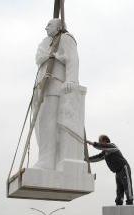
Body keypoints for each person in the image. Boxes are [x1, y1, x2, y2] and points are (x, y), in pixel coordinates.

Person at [33, 18, 86, 171]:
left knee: (47, 122)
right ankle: (46, 158)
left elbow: (72, 60)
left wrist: (71, 81)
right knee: (41, 123)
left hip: (55, 84)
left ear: (59, 26)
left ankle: (47, 161)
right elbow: (39, 57)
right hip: (43, 85)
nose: (45, 27)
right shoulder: (47, 42)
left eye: (49, 25)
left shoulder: (66, 38)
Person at [87, 135, 134, 205]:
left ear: (105, 141)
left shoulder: (112, 146)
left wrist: (92, 143)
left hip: (123, 168)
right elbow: (97, 157)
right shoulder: (105, 153)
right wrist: (87, 159)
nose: (100, 143)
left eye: (100, 141)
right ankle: (119, 202)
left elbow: (101, 146)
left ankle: (130, 201)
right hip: (117, 172)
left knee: (127, 185)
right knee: (119, 188)